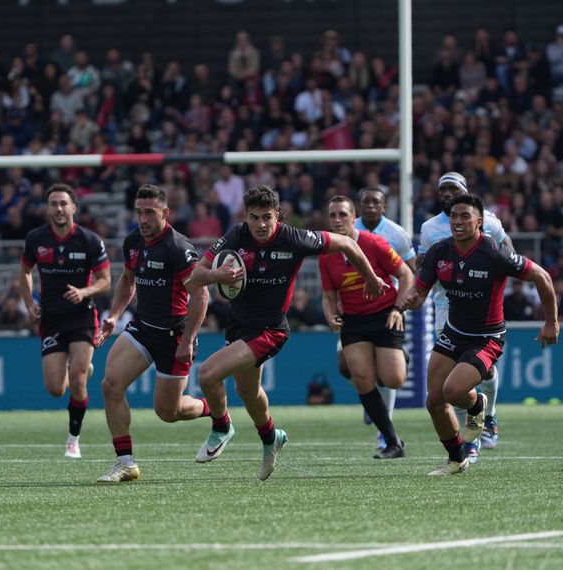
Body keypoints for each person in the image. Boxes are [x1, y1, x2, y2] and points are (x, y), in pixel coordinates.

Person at [186, 185, 388, 481]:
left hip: (270, 330)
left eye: (267, 217)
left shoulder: (294, 238)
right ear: (245, 216)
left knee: (208, 374)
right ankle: (271, 440)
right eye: (254, 218)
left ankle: (221, 427)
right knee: (247, 391)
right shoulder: (235, 236)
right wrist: (219, 275)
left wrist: (371, 278)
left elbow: (347, 244)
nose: (261, 225)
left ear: (277, 216)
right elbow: (195, 278)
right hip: (239, 324)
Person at [403, 193, 559, 476]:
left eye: (465, 216)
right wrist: (411, 299)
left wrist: (551, 322)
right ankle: (456, 458)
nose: (458, 221)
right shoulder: (439, 251)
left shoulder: (494, 252)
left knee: (453, 391)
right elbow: (420, 292)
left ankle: (477, 404)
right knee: (434, 401)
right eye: (453, 216)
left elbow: (542, 277)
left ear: (479, 221)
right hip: (452, 332)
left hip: (486, 337)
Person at [96, 184, 210, 483]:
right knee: (110, 385)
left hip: (174, 336)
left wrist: (187, 341)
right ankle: (125, 462)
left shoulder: (178, 247)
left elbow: (201, 296)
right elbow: (127, 279)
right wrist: (114, 316)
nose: (143, 219)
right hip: (143, 328)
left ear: (165, 213)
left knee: (168, 412)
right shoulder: (133, 240)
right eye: (139, 213)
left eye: (150, 213)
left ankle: (215, 411)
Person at [417, 172, 513, 463]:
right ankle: (470, 443)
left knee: (483, 371)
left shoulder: (488, 220)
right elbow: (423, 262)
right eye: (442, 189)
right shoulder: (430, 227)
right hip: (445, 306)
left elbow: (506, 247)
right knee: (450, 382)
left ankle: (489, 414)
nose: (447, 193)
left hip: (481, 304)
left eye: (453, 189)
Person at [19, 183, 111, 458]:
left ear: (73, 207)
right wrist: (29, 304)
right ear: (48, 209)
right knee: (56, 389)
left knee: (79, 379)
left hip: (82, 316)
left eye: (63, 203)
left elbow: (106, 281)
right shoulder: (36, 238)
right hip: (50, 317)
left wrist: (84, 291)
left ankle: (73, 439)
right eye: (53, 204)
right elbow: (24, 271)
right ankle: (76, 370)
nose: (58, 208)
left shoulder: (90, 240)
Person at [320, 196, 413, 459]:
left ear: (353, 217)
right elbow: (328, 295)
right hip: (354, 322)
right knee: (362, 378)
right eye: (333, 215)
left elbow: (406, 275)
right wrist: (330, 316)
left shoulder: (374, 243)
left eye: (342, 215)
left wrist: (398, 309)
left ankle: (401, 357)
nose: (337, 220)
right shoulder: (327, 255)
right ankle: (393, 442)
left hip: (385, 316)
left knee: (393, 379)